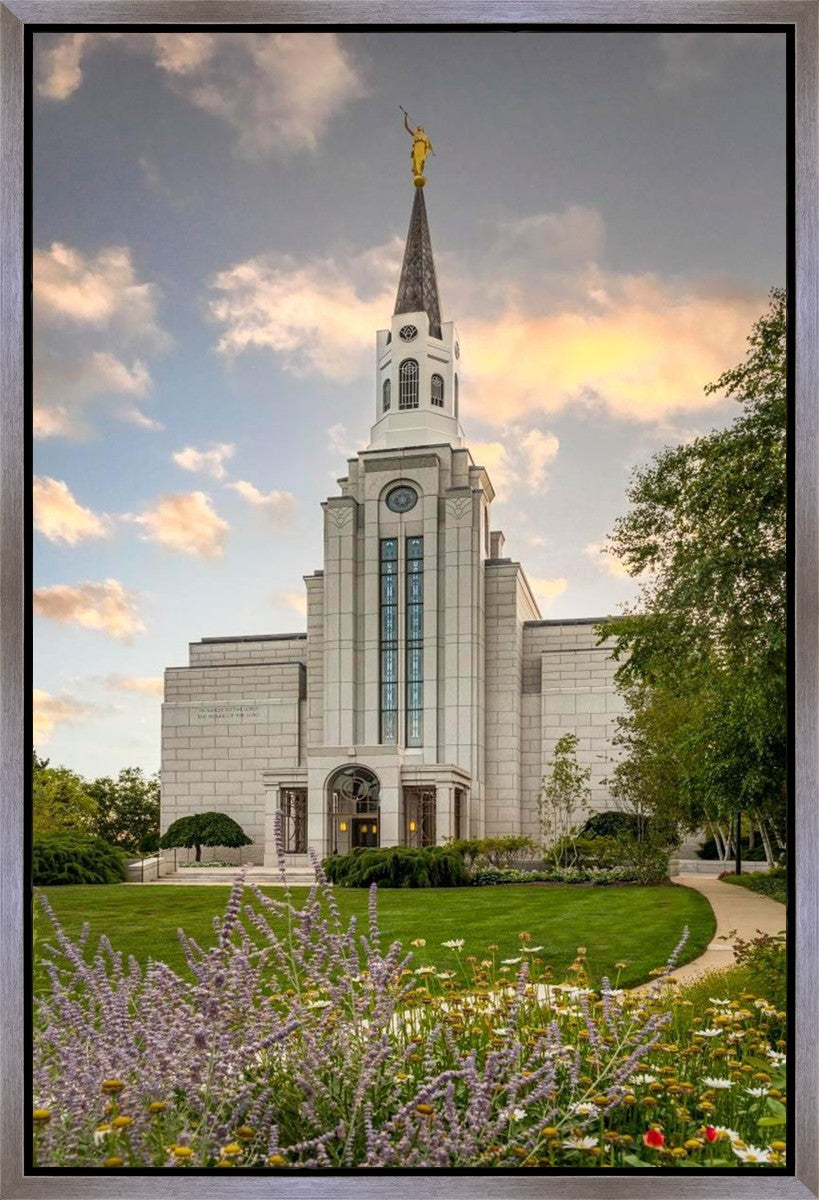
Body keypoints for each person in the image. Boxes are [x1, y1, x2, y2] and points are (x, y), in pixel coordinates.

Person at [402, 109, 435, 178]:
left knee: (421, 161)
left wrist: (432, 151)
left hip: (422, 149)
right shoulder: (415, 135)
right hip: (416, 149)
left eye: (420, 128)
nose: (418, 129)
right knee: (416, 161)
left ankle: (420, 173)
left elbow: (429, 145)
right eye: (418, 128)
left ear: (422, 130)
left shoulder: (426, 137)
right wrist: (405, 117)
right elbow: (407, 127)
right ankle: (418, 173)